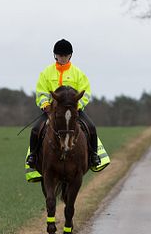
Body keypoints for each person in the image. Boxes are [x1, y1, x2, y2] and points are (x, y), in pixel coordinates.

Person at [25, 39, 100, 181]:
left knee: (91, 127)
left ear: (70, 56)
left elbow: (86, 92)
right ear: (55, 56)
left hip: (73, 111)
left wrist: (79, 105)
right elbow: (41, 92)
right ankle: (33, 156)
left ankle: (94, 156)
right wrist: (45, 104)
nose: (62, 58)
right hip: (53, 111)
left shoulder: (78, 73)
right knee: (35, 129)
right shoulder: (46, 73)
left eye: (65, 55)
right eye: (60, 55)